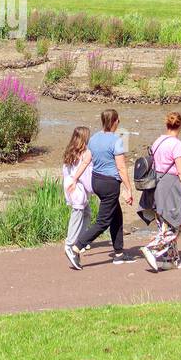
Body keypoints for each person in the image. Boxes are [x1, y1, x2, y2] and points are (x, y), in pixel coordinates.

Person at [67, 109, 134, 267]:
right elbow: (121, 168)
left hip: (96, 182)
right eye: (118, 121)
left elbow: (85, 161)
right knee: (103, 221)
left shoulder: (95, 138)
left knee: (116, 216)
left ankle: (118, 254)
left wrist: (75, 178)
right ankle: (76, 248)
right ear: (115, 121)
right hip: (110, 184)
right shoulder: (117, 140)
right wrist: (129, 189)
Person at [140, 113, 181, 272]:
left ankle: (171, 260)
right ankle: (151, 248)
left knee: (164, 222)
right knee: (178, 223)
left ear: (167, 124)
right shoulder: (176, 144)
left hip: (155, 184)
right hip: (169, 185)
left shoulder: (158, 141)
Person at [61, 127, 94, 271]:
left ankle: (79, 242)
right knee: (78, 215)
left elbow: (66, 170)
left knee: (86, 214)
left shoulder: (70, 151)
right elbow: (84, 170)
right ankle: (71, 245)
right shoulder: (85, 153)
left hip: (70, 185)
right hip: (77, 187)